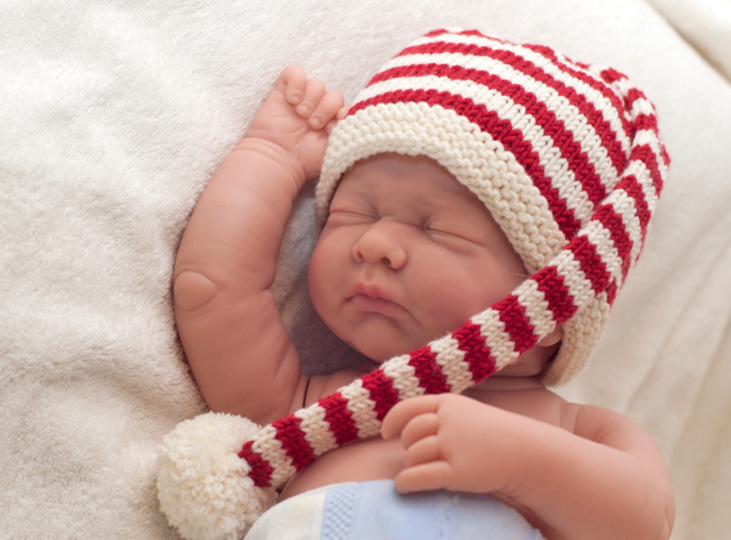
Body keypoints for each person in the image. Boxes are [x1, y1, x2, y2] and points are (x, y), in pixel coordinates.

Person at [171, 29, 674, 540]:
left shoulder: (576, 432)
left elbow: (647, 524)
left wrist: (522, 461)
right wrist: (270, 157)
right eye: (354, 213)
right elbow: (211, 290)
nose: (374, 244)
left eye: (436, 228)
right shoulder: (325, 412)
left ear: (556, 307)